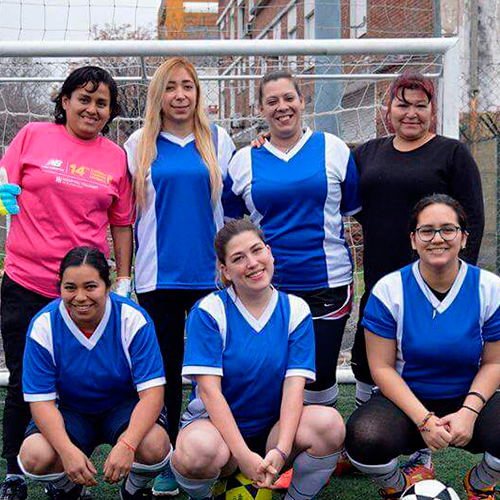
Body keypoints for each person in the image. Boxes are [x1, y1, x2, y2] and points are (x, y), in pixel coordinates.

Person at [0, 66, 135, 500]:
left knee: (78, 380)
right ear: (64, 100)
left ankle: (65, 474)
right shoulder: (33, 136)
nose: (92, 109)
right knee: (25, 379)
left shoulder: (115, 157)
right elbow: (5, 187)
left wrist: (124, 279)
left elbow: (122, 223)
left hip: (85, 294)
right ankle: (16, 472)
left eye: (102, 103)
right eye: (84, 98)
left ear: (110, 112)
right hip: (26, 281)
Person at [349, 71, 485, 480]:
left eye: (420, 105)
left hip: (434, 284)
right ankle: (363, 441)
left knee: (421, 362)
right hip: (381, 280)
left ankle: (420, 454)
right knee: (370, 363)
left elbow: (472, 220)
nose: (411, 113)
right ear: (386, 109)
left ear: (432, 110)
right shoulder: (367, 153)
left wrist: (458, 284)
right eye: (402, 104)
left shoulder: (452, 154)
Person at [169, 219, 345, 500]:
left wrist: (281, 450)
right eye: (238, 258)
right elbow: (210, 393)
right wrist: (243, 456)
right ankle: (205, 494)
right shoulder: (210, 311)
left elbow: (293, 388)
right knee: (196, 451)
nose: (252, 263)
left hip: (272, 432)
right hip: (218, 435)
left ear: (270, 252)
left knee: (330, 423)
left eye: (257, 250)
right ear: (225, 271)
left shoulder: (295, 309)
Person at [124, 57, 236, 496]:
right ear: (159, 95)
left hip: (210, 275)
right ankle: (170, 456)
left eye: (187, 86)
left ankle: (218, 446)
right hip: (158, 277)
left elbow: (237, 197)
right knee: (165, 371)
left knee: (213, 369)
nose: (180, 95)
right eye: (171, 87)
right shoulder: (139, 143)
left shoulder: (219, 140)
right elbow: (125, 213)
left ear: (197, 93)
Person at [345, 194, 500, 500]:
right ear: (414, 240)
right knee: (363, 438)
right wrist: (425, 421)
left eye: (448, 229)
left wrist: (469, 412)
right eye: (427, 231)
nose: (437, 239)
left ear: (464, 237)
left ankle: (480, 484)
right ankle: (397, 488)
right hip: (408, 400)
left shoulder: (490, 288)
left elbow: (494, 363)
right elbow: (381, 368)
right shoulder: (390, 290)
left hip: (469, 398)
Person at [227, 70, 361, 411]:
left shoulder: (333, 149)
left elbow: (351, 209)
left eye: (289, 98)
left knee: (319, 376)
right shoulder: (243, 161)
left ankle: (320, 454)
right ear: (261, 108)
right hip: (266, 289)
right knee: (274, 373)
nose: (282, 107)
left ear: (303, 101)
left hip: (326, 284)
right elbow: (231, 226)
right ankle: (275, 454)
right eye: (272, 101)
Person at [17, 246, 171, 500]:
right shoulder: (43, 325)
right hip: (69, 409)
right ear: (60, 288)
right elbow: (41, 402)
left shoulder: (132, 319)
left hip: (123, 405)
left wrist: (128, 443)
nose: (80, 297)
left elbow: (153, 394)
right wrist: (66, 450)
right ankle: (68, 488)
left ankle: (134, 488)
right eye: (70, 288)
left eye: (90, 287)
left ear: (107, 286)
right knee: (35, 455)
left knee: (154, 445)